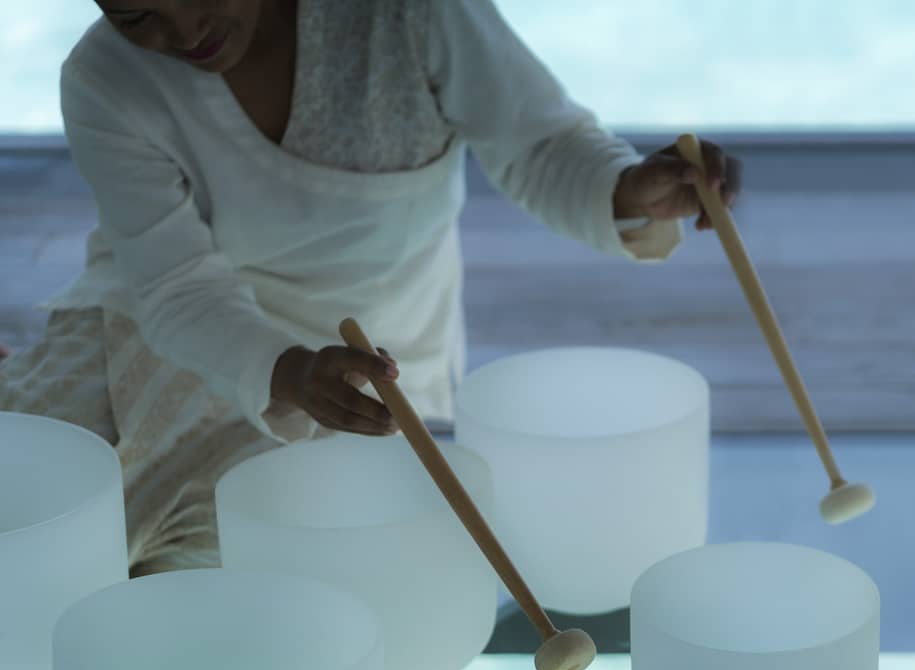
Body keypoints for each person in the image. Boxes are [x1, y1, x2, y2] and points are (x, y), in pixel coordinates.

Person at [0, 0, 740, 577]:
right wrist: (285, 370)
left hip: (366, 369)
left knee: (230, 587)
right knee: (33, 523)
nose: (185, 28)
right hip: (170, 323)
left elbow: (539, 145)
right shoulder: (105, 76)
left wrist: (627, 188)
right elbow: (174, 286)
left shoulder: (404, 12)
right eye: (137, 14)